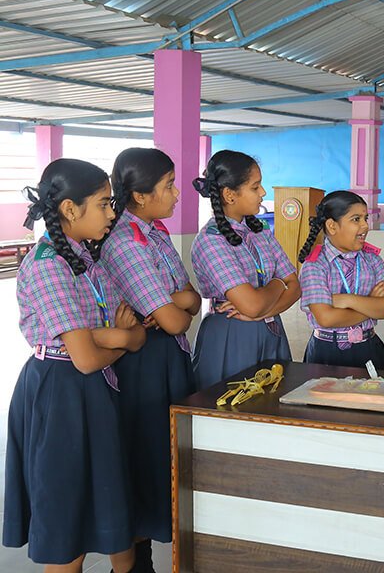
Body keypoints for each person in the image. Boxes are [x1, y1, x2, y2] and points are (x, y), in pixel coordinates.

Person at [3, 159, 145, 572]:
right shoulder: (48, 264)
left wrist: (111, 336)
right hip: (60, 392)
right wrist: (120, 339)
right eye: (103, 204)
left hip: (96, 388)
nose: (112, 214)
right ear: (69, 209)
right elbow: (85, 357)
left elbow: (131, 329)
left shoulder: (87, 259)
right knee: (67, 519)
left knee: (112, 503)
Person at [100, 147, 199, 569]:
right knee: (143, 458)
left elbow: (193, 300)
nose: (177, 194)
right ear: (140, 196)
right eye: (169, 186)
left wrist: (176, 303)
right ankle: (136, 562)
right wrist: (177, 305)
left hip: (167, 358)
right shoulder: (125, 242)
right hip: (141, 363)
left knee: (164, 457)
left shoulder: (154, 232)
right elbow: (175, 320)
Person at [191, 150, 300, 389]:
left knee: (274, 401)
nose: (263, 193)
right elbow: (252, 304)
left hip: (271, 329)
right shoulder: (210, 240)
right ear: (230, 195)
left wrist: (262, 311)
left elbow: (295, 287)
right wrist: (278, 284)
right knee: (233, 401)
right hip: (232, 333)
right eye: (255, 187)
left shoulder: (260, 231)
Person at [298, 190, 384, 369]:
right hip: (327, 351)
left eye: (365, 218)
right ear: (332, 226)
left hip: (369, 347)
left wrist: (347, 300)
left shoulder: (372, 259)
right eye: (356, 219)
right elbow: (326, 318)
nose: (365, 226)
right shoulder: (315, 265)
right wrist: (372, 305)